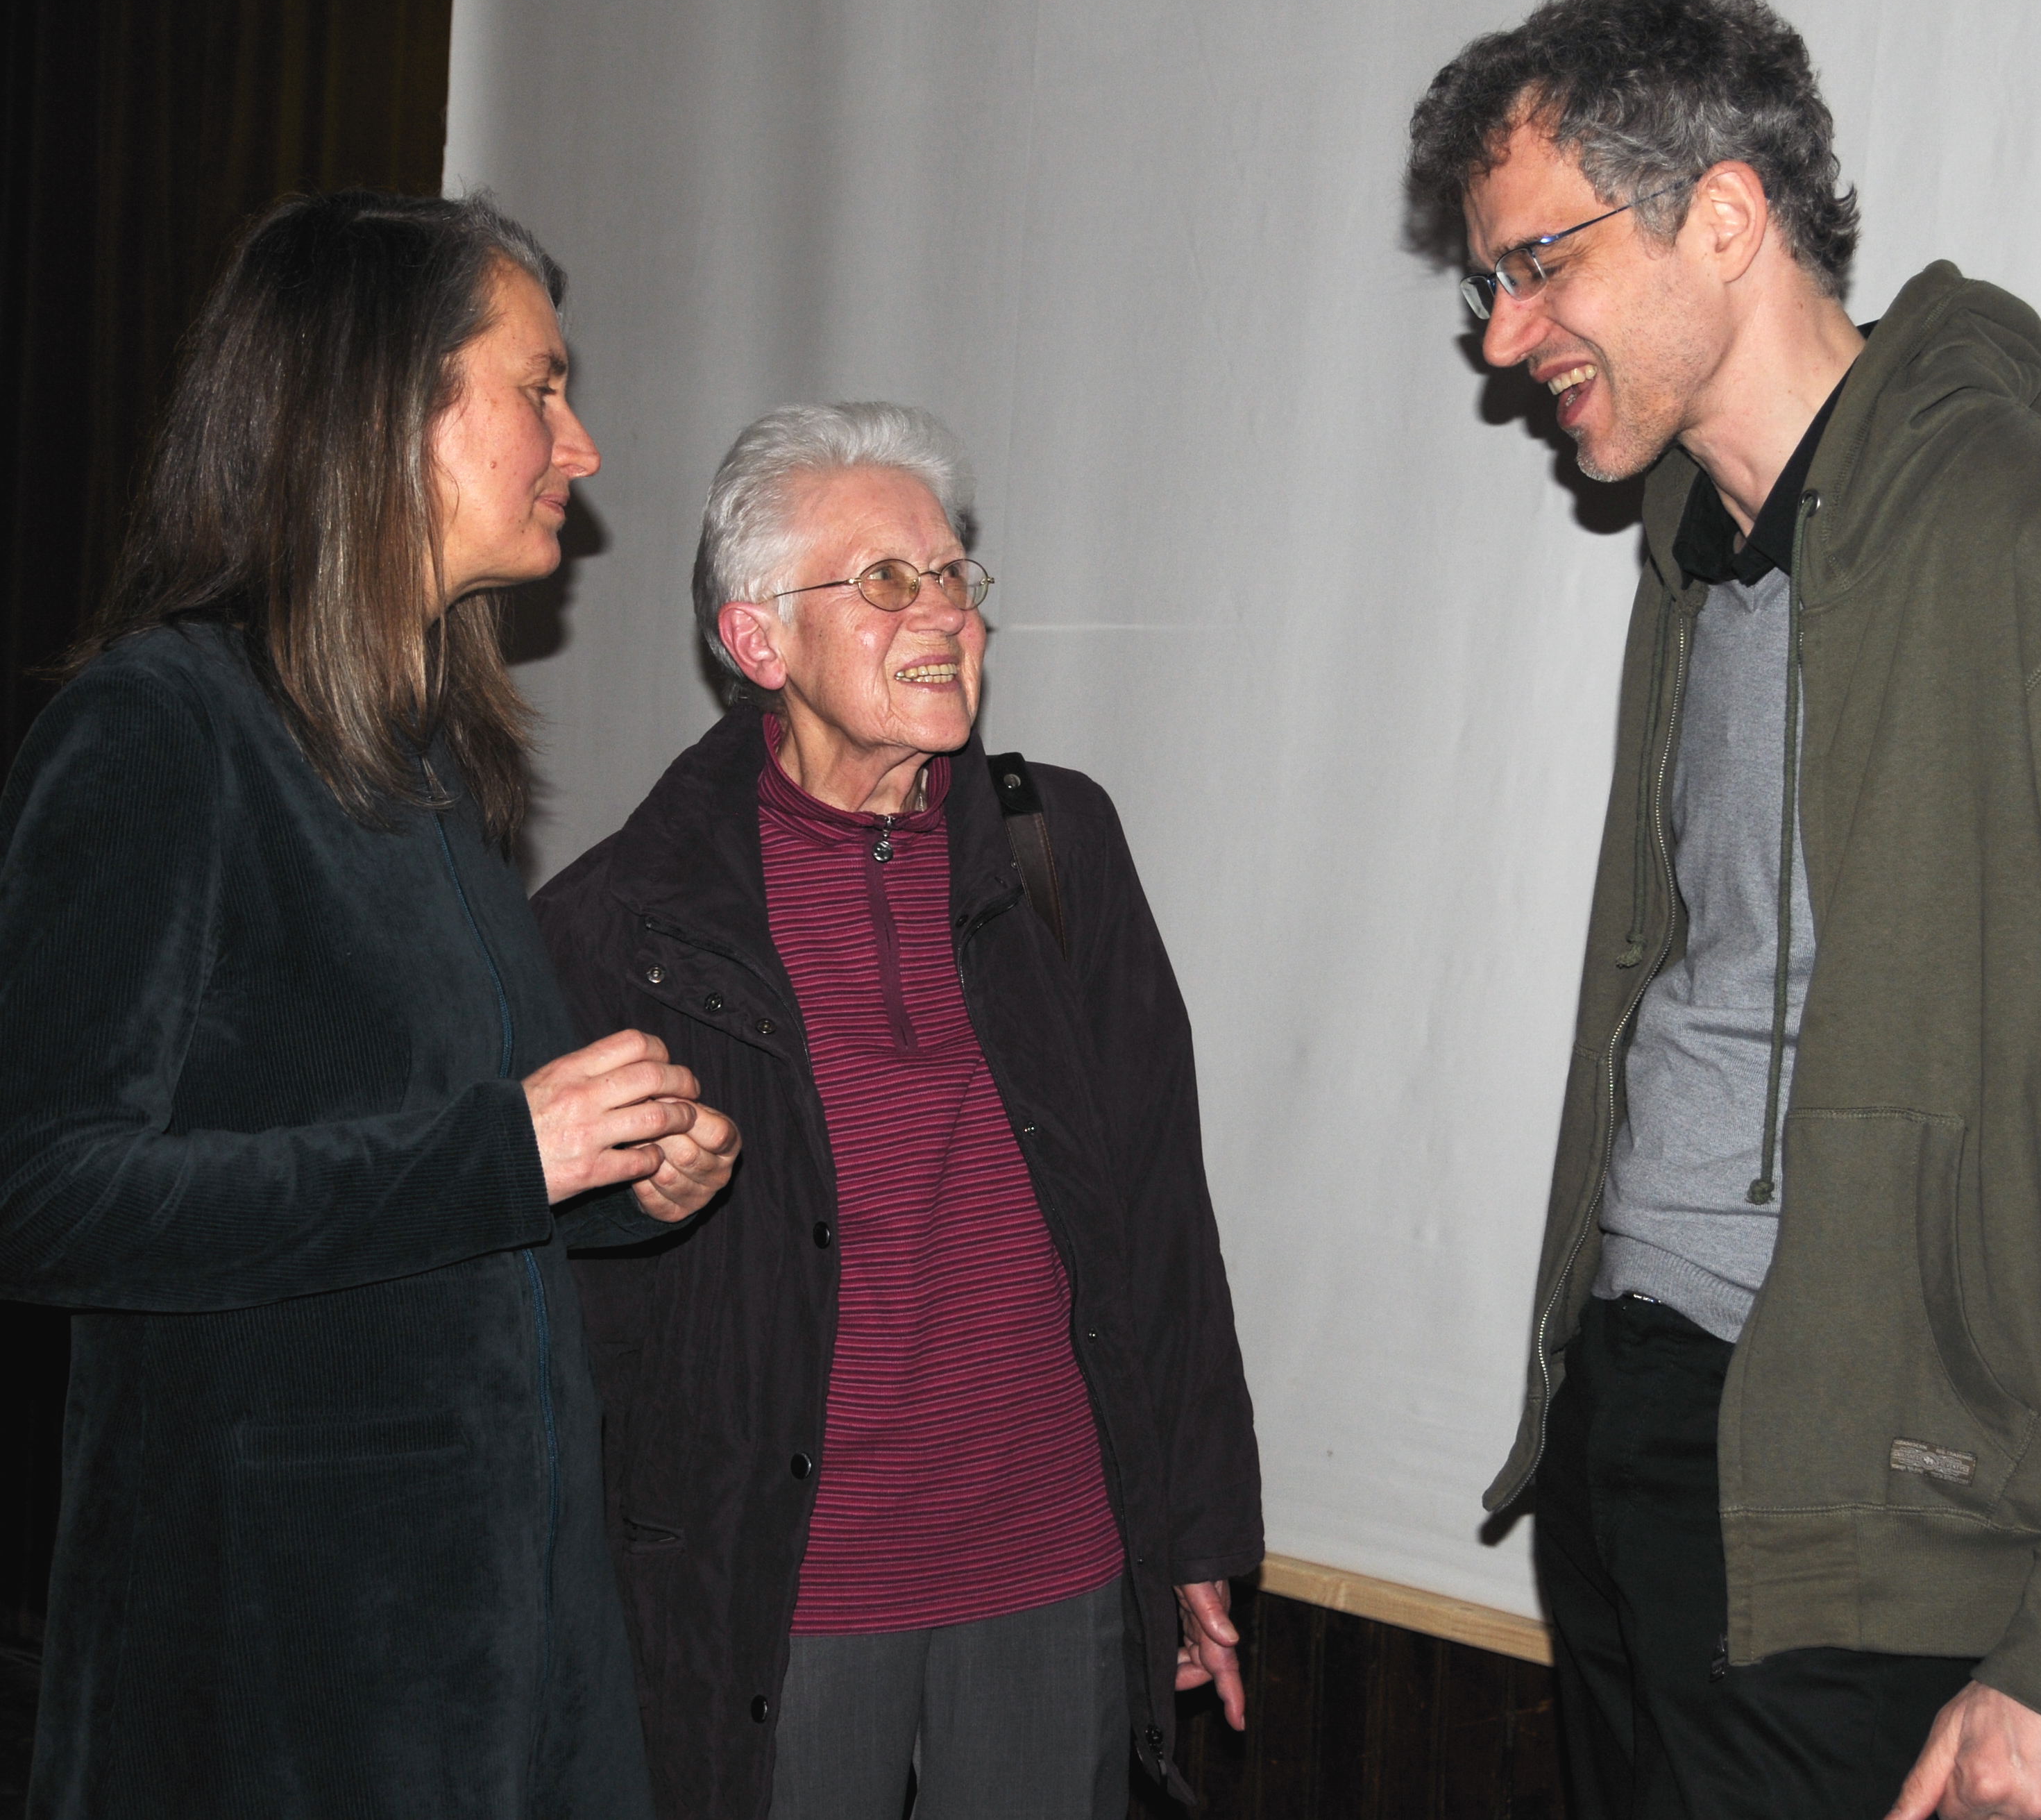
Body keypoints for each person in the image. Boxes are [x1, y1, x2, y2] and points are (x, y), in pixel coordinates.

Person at [0, 190, 740, 1819]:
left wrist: (617, 1172)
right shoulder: (156, 730)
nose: (586, 443)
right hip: (282, 1672)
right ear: (380, 400)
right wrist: (503, 1153)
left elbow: (442, 1174)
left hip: (511, 1646)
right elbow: (46, 1196)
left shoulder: (424, 761)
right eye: (540, 388)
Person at [1406, 0, 2041, 1817]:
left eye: (1539, 262)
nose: (1504, 335)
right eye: (1490, 283)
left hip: (1861, 1513)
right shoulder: (1695, 570)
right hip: (1637, 1439)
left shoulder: (2019, 539)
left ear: (1722, 215)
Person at [531, 401, 1263, 1820]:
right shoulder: (626, 926)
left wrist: (1196, 1529)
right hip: (786, 1600)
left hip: (1052, 1568)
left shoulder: (1064, 849)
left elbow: (1160, 1215)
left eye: (955, 580)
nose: (943, 616)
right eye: (884, 583)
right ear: (757, 643)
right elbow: (585, 1315)